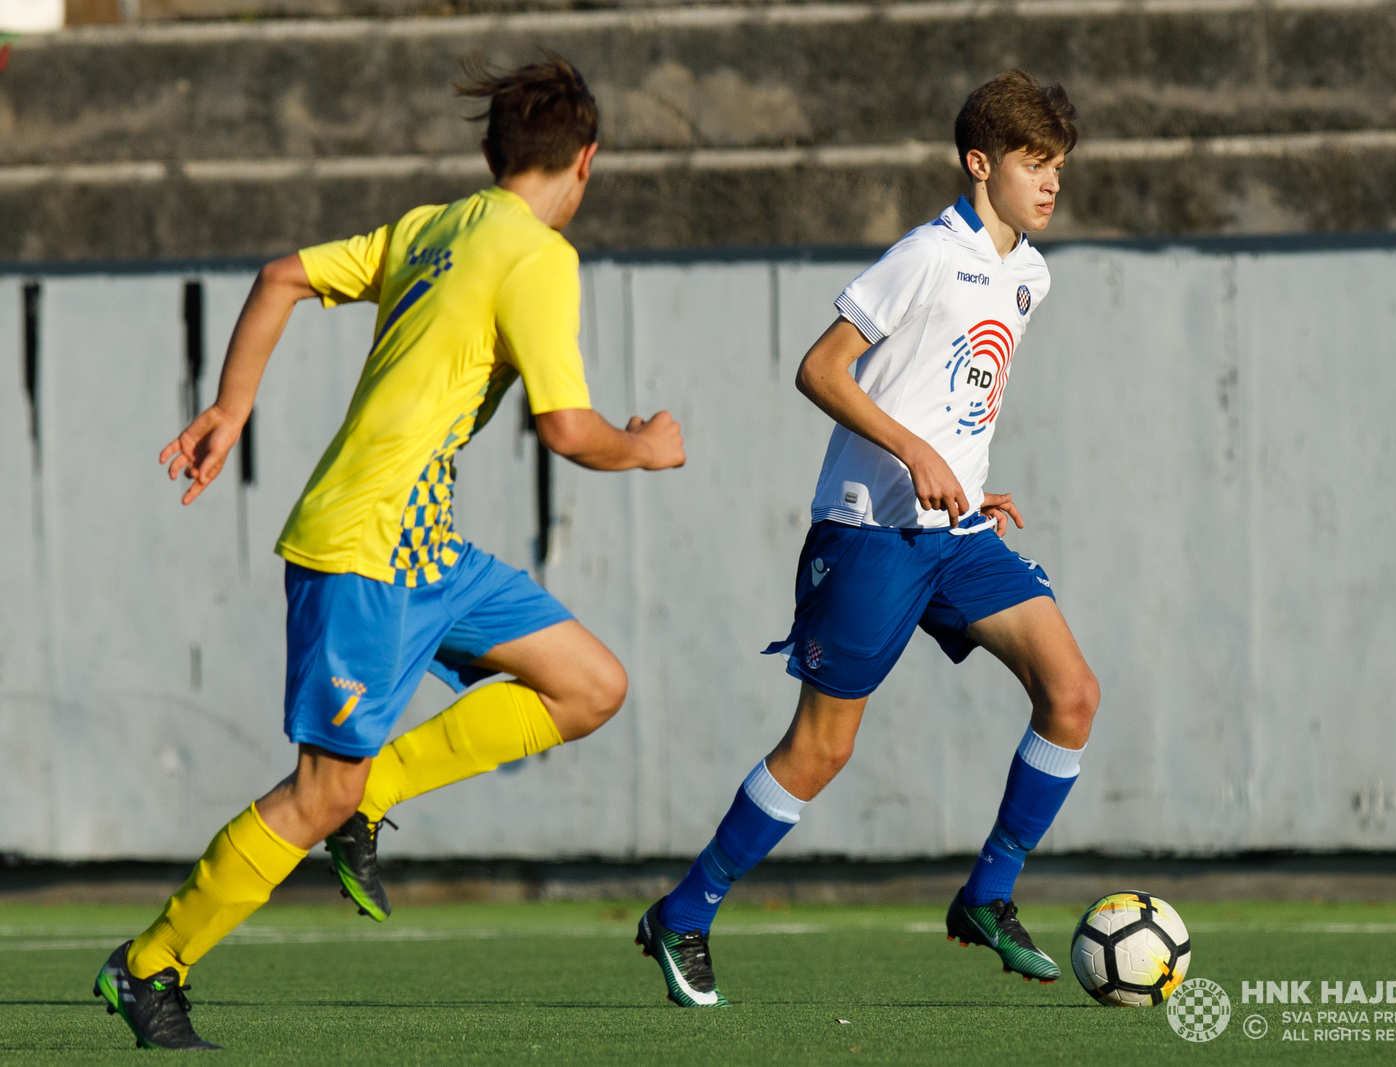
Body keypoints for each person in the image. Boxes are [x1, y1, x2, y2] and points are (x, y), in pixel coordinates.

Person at [93, 53, 684, 1050]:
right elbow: (570, 428)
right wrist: (648, 448)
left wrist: (232, 408)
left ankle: (376, 799)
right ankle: (149, 965)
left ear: (497, 151)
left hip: (424, 546)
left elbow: (283, 273)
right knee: (319, 788)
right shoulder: (538, 254)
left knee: (588, 684)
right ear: (585, 160)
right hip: (366, 546)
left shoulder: (433, 226)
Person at [635, 69, 1096, 1007]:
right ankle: (684, 911)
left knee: (1072, 694)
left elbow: (953, 387)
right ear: (981, 164)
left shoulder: (1031, 274)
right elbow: (820, 368)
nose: (1051, 182)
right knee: (820, 752)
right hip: (870, 533)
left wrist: (964, 477)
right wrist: (914, 449)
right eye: (1034, 163)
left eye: (1059, 166)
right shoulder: (927, 254)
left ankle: (988, 895)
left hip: (958, 533)